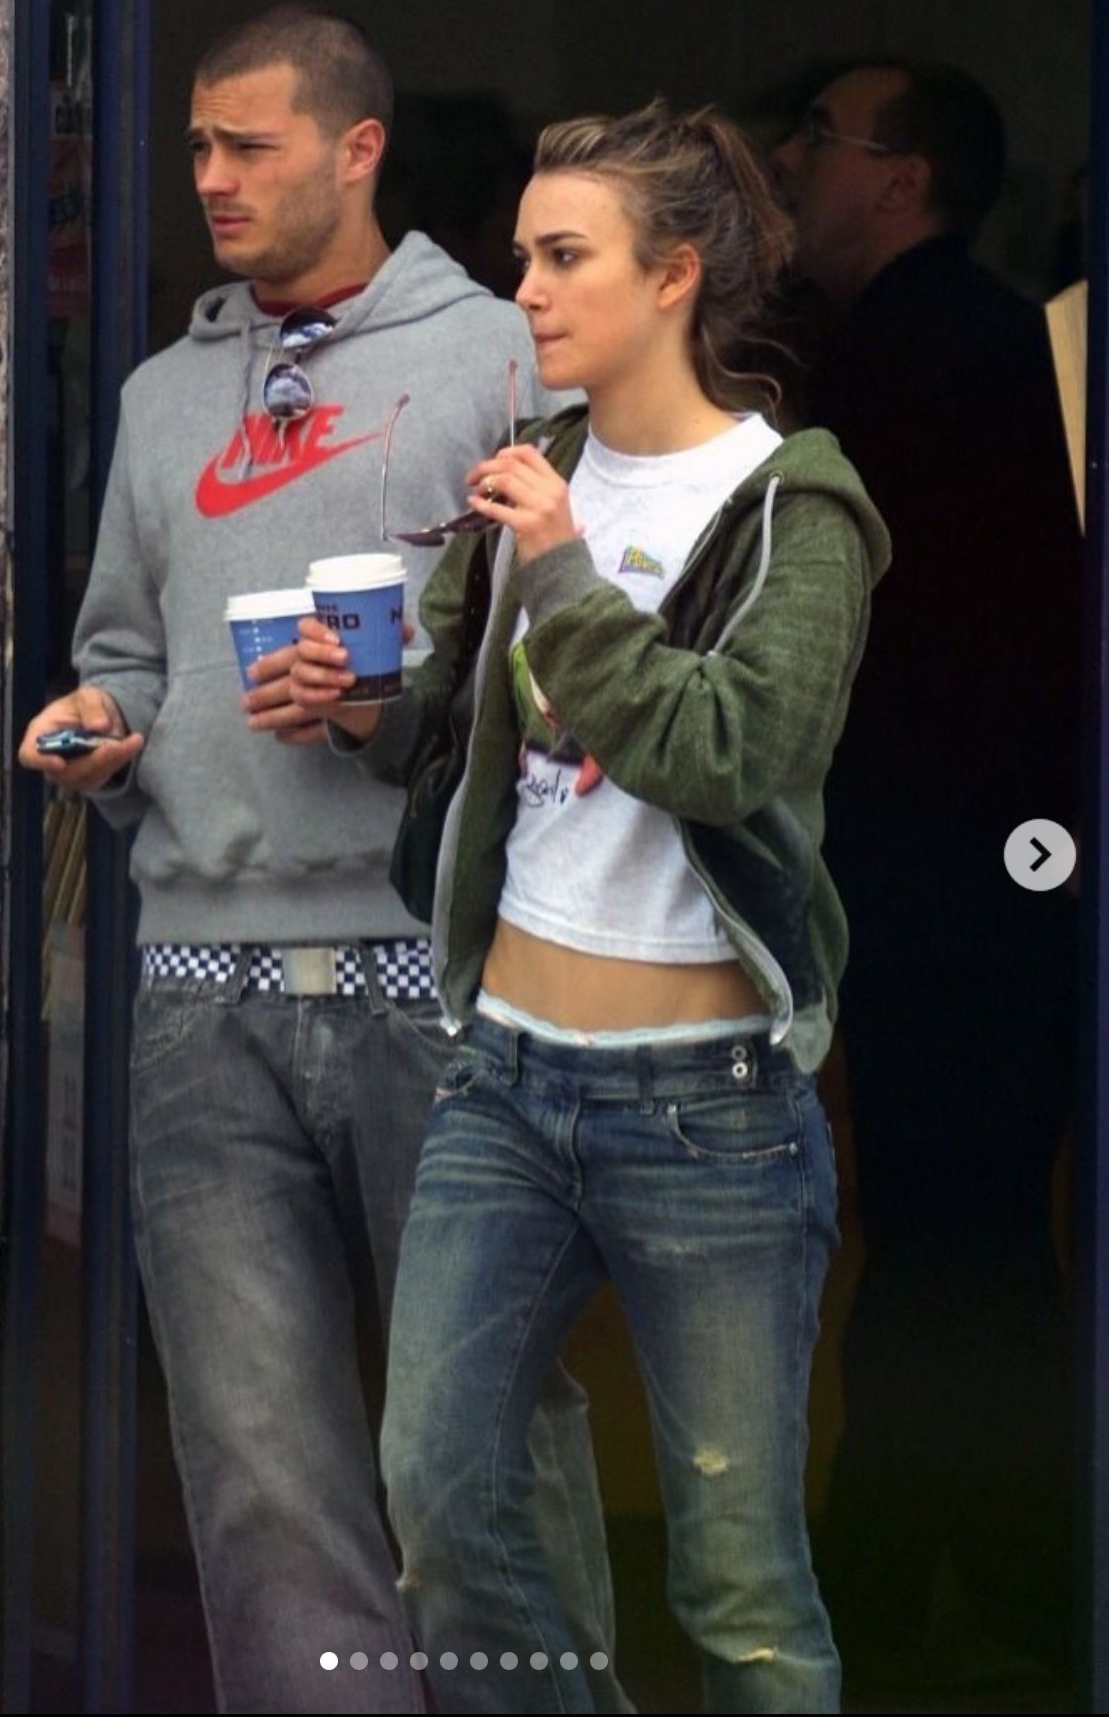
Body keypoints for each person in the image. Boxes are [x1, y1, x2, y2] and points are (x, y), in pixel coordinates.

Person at [17, 8, 622, 1712]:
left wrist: (393, 705)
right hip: (193, 986)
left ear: (358, 150)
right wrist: (106, 723)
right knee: (260, 1472)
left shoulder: (505, 356)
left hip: (441, 971)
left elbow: (593, 655)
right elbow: (126, 652)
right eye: (196, 147)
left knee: (480, 1448)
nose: (209, 178)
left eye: (248, 146)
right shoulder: (161, 394)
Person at [294, 99, 890, 1713]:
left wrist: (559, 571)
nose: (529, 293)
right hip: (503, 1074)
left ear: (673, 274)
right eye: (522, 257)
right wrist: (357, 706)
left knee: (738, 1583)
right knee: (438, 1496)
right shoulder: (537, 472)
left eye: (564, 258)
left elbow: (727, 750)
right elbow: (444, 725)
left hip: (711, 1108)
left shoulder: (794, 508)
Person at [774, 59, 1080, 1686]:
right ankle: (994, 1581)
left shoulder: (906, 358)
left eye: (818, 141)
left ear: (900, 180)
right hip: (994, 875)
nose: (791, 164)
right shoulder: (978, 338)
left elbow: (899, 656)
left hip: (943, 877)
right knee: (976, 1242)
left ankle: (901, 1592)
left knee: (941, 1240)